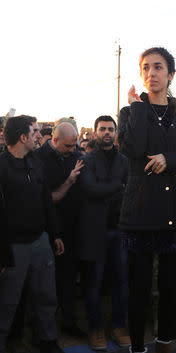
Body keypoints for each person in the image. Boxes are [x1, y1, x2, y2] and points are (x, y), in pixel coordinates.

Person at [118, 47, 176, 353]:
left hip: (174, 213)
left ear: (171, 74)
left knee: (171, 287)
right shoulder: (130, 113)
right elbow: (133, 149)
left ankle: (165, 341)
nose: (151, 73)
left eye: (158, 67)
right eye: (145, 68)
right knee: (138, 288)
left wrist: (170, 159)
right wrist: (138, 107)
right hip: (140, 212)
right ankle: (138, 347)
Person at [0, 116, 65, 353]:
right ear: (22, 137)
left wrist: (54, 234)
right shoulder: (2, 167)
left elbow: (46, 202)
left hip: (40, 243)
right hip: (13, 249)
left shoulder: (36, 164)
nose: (40, 135)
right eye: (35, 131)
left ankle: (47, 340)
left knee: (46, 297)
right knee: (7, 303)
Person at [78, 116, 130, 350]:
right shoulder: (86, 160)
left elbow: (130, 193)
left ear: (116, 132)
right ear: (95, 133)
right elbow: (89, 189)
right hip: (95, 231)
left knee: (121, 281)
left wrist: (108, 190)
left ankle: (119, 326)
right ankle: (97, 329)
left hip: (120, 230)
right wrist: (118, 187)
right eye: (102, 129)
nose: (106, 132)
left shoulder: (125, 161)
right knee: (93, 283)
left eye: (110, 129)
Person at [33, 122, 85, 338]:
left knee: (68, 279)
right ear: (54, 141)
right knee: (45, 284)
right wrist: (69, 181)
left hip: (72, 230)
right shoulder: (38, 160)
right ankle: (43, 330)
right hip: (48, 232)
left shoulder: (75, 156)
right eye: (68, 146)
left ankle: (68, 322)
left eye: (75, 146)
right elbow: (47, 200)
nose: (73, 150)